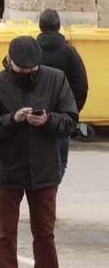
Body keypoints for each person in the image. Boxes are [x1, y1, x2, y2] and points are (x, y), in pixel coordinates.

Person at [0, 36, 79, 268]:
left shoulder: (56, 79)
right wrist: (13, 119)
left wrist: (48, 120)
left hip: (44, 169)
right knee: (5, 233)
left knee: (45, 233)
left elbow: (70, 120)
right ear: (10, 60)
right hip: (9, 169)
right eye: (22, 68)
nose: (26, 72)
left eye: (32, 68)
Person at [35, 9, 91, 174]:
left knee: (36, 166)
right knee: (59, 164)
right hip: (61, 120)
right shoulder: (69, 52)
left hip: (35, 117)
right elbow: (81, 86)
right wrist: (72, 113)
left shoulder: (32, 51)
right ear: (59, 26)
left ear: (40, 27)